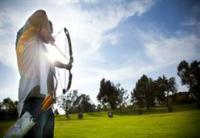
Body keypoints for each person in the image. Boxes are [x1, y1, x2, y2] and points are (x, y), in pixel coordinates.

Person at [15, 9, 71, 138]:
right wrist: (47, 34)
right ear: (42, 27)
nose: (52, 34)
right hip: (33, 103)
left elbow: (53, 62)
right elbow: (41, 14)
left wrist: (67, 66)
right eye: (49, 30)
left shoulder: (42, 51)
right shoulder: (27, 40)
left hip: (47, 106)